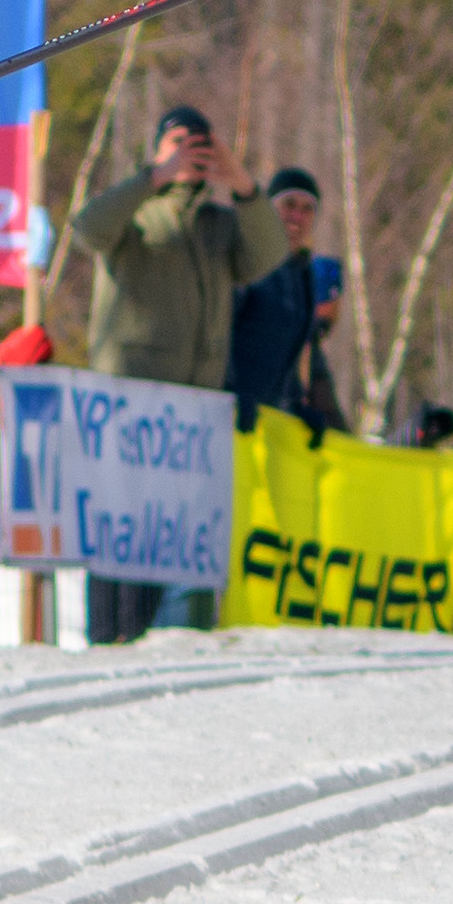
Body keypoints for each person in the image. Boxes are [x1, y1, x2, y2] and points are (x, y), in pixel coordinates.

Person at [70, 104, 285, 638]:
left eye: (201, 144)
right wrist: (155, 177)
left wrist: (241, 184)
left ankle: (174, 643)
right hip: (130, 409)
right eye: (179, 142)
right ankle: (110, 644)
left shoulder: (219, 226)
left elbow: (270, 254)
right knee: (121, 537)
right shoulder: (137, 214)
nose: (191, 152)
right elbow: (86, 229)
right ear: (157, 149)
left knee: (176, 544)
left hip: (192, 418)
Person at [230, 164, 349, 436]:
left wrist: (297, 404)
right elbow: (218, 332)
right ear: (270, 208)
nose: (297, 216)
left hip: (268, 416)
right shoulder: (249, 261)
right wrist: (233, 389)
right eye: (289, 204)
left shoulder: (304, 275)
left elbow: (295, 353)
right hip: (227, 408)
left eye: (308, 209)